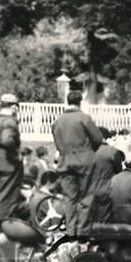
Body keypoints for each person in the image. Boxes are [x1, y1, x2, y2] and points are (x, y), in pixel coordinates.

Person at [50, 90, 103, 234]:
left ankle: (71, 231)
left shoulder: (58, 121)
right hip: (84, 161)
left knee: (69, 198)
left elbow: (57, 142)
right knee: (86, 196)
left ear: (68, 101)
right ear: (80, 102)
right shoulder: (84, 118)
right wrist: (89, 151)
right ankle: (82, 232)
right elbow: (98, 139)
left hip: (65, 161)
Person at [0, 94, 23, 227]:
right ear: (13, 106)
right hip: (9, 163)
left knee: (0, 195)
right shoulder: (9, 122)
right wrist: (16, 155)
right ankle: (1, 227)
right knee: (8, 197)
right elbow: (7, 140)